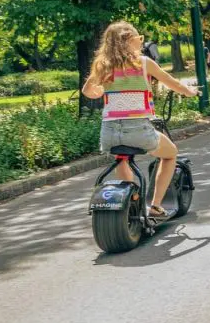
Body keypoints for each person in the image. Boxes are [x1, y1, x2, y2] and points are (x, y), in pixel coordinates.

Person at [82, 21, 200, 217]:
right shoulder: (144, 63)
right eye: (139, 38)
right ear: (128, 40)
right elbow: (174, 84)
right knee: (170, 154)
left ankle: (130, 202)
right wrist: (190, 91)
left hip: (109, 134)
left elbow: (87, 91)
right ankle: (155, 205)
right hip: (138, 131)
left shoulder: (102, 65)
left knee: (122, 159)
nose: (140, 42)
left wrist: (102, 90)